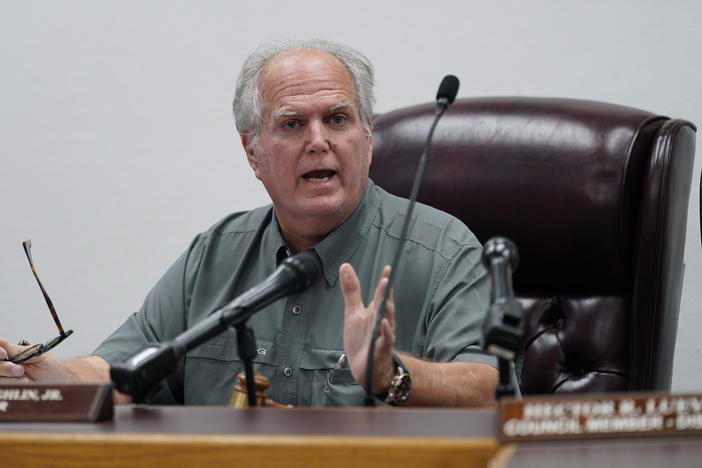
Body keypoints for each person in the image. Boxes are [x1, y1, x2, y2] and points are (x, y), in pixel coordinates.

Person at [0, 39, 498, 407]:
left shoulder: (442, 251)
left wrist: (390, 373)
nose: (319, 140)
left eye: (338, 119)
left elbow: (484, 390)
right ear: (252, 152)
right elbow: (124, 369)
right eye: (292, 124)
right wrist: (53, 374)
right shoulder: (215, 254)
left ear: (367, 137)